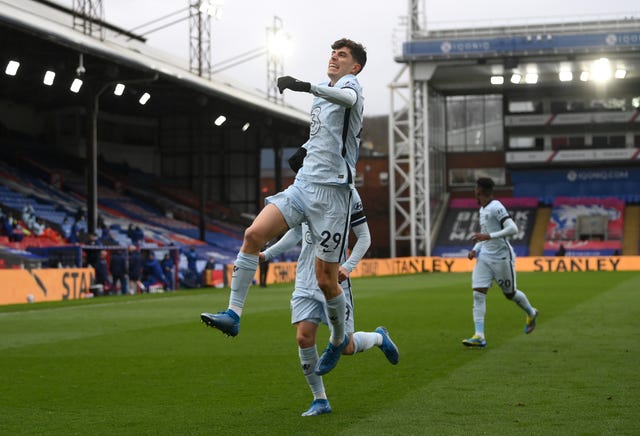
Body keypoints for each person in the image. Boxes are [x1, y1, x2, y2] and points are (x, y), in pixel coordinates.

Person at [201, 38, 367, 376]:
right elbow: (323, 132)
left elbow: (347, 100)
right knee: (253, 234)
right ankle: (233, 314)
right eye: (333, 52)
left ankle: (337, 339)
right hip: (305, 185)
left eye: (343, 55)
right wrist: (304, 148)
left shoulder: (352, 88)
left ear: (355, 66)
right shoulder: (324, 90)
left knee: (326, 280)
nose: (335, 57)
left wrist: (304, 87)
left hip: (334, 194)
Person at [261, 188, 398, 416]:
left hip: (334, 281)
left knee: (347, 347)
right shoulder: (302, 191)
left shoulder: (349, 193)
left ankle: (379, 337)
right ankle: (320, 400)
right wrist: (267, 254)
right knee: (303, 338)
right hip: (305, 281)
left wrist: (348, 266)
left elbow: (364, 237)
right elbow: (295, 234)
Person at [463, 177, 539, 348]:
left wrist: (489, 236)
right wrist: (476, 248)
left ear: (479, 191)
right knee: (478, 293)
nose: (474, 191)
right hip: (485, 257)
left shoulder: (496, 207)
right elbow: (485, 234)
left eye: (475, 188)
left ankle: (531, 312)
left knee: (510, 294)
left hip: (502, 257)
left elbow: (513, 228)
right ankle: (479, 335)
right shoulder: (482, 209)